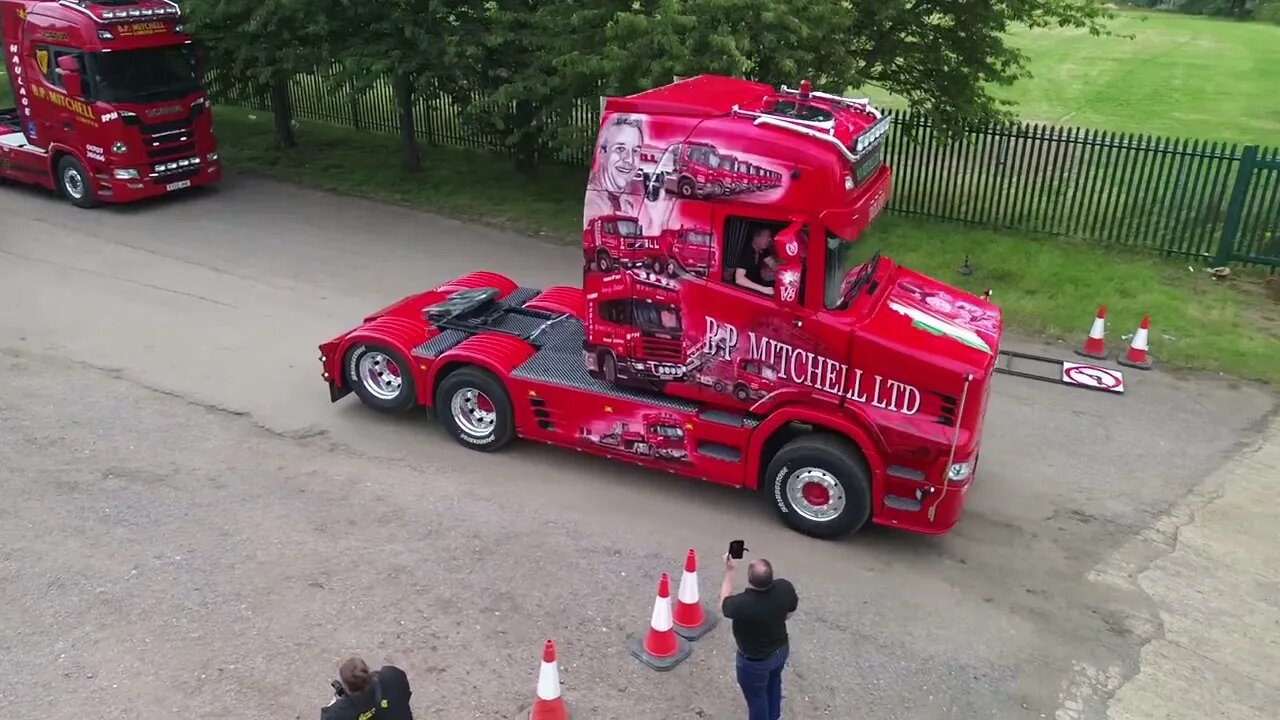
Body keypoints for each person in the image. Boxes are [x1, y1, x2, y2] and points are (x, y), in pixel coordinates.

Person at [719, 555, 798, 720]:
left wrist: (730, 571)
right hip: (781, 649)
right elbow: (790, 612)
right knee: (774, 683)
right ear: (771, 576)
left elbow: (724, 604)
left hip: (755, 662)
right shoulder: (784, 588)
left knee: (756, 698)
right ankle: (774, 716)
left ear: (749, 580)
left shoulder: (742, 604)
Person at [321, 656, 414, 720]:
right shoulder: (392, 676)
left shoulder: (336, 714)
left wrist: (334, 704)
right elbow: (405, 693)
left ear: (345, 686)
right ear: (367, 670)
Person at [731, 227, 776, 295]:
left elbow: (775, 265)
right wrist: (763, 289)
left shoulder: (764, 250)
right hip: (743, 292)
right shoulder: (745, 251)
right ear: (756, 237)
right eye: (767, 236)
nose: (770, 239)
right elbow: (739, 279)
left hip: (757, 286)